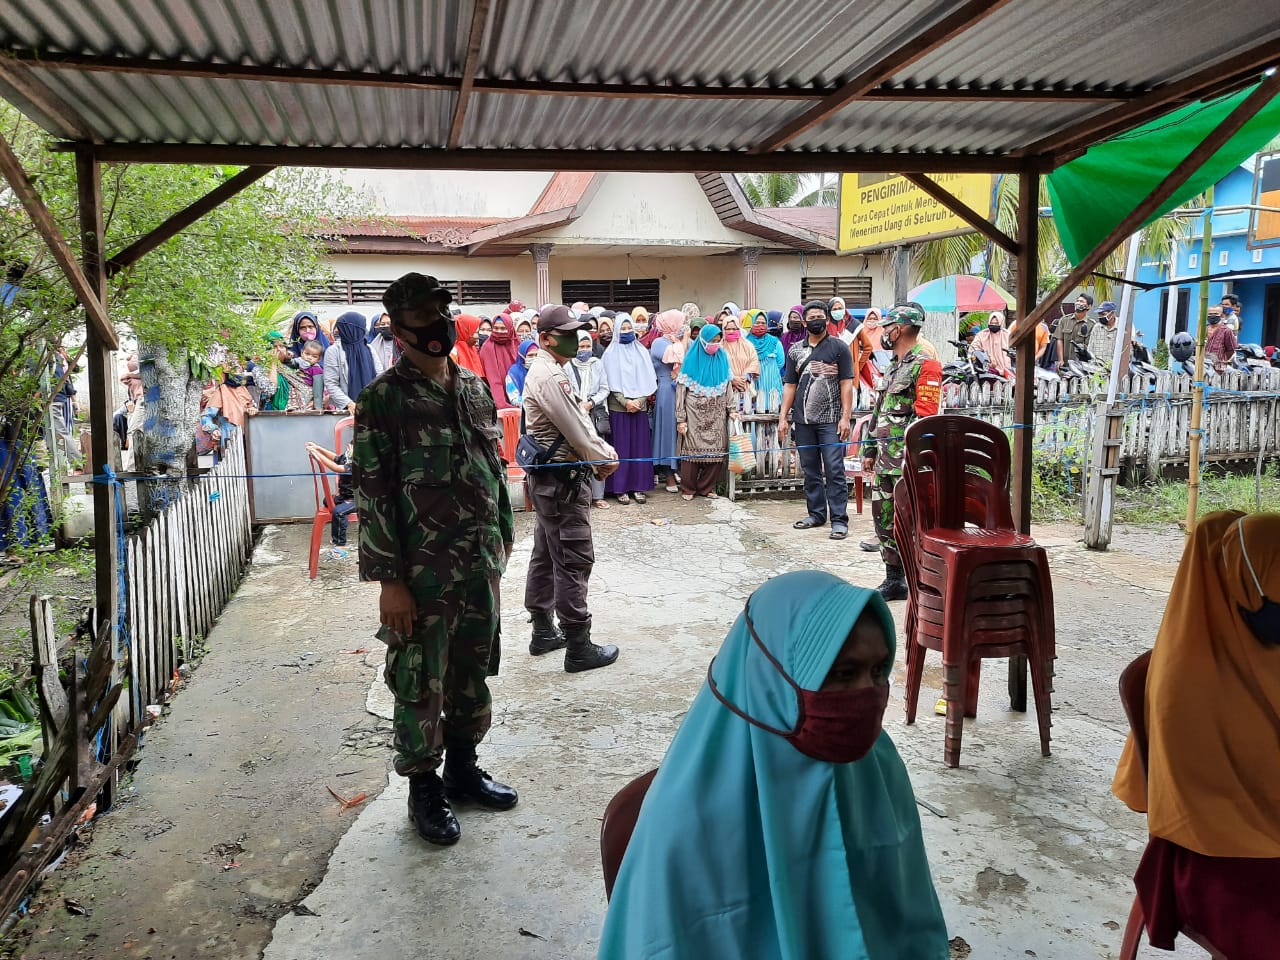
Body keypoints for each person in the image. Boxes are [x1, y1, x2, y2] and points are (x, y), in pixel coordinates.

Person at [598, 571, 950, 960]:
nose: (866, 695)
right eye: (843, 674)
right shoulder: (685, 823)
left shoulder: (878, 769)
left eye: (878, 670)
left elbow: (905, 922)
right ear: (773, 677)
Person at [353, 272, 516, 847]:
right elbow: (372, 492)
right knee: (421, 676)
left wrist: (502, 534)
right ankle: (423, 788)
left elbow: (491, 469)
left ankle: (464, 770)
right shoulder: (382, 400)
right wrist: (388, 581)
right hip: (421, 571)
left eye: (442, 313)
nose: (438, 326)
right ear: (398, 329)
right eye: (423, 318)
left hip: (478, 561)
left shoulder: (472, 387)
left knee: (473, 667)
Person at [1112, 511, 1280, 958]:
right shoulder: (1186, 684)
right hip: (1220, 848)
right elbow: (1217, 792)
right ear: (1240, 581)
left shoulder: (1252, 645)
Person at [521, 304, 621, 671]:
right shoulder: (551, 375)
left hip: (550, 482)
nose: (574, 338)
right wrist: (606, 459)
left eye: (575, 331)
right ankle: (579, 645)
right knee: (573, 558)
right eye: (564, 333)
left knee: (546, 555)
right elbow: (578, 430)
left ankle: (543, 631)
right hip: (562, 482)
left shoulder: (550, 369)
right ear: (545, 338)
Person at [861, 305, 943, 601]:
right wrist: (869, 448)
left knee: (912, 522)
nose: (884, 332)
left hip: (907, 463)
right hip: (884, 459)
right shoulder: (894, 365)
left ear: (903, 328)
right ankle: (893, 578)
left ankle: (919, 578)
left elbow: (925, 418)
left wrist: (915, 457)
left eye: (888, 327)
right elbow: (879, 411)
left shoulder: (926, 365)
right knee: (883, 518)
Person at [778, 301, 854, 541]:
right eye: (812, 317)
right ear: (804, 322)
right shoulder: (795, 351)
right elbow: (790, 385)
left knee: (834, 469)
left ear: (827, 319)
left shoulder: (839, 348)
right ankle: (817, 514)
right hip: (803, 420)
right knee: (810, 469)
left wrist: (845, 417)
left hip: (831, 420)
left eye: (821, 316)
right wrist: (783, 417)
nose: (816, 320)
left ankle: (839, 520)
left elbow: (846, 383)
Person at [602, 316, 658, 505]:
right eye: (622, 328)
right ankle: (620, 489)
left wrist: (639, 401)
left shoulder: (641, 352)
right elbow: (609, 383)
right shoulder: (610, 354)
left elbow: (649, 380)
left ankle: (639, 487)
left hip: (639, 409)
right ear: (617, 331)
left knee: (639, 448)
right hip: (618, 409)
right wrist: (625, 402)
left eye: (629, 328)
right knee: (622, 449)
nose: (626, 331)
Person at [675, 324, 733, 500]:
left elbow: (728, 385)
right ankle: (688, 488)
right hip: (694, 413)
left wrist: (731, 409)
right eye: (711, 341)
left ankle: (706, 488)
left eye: (718, 341)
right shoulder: (691, 361)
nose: (715, 345)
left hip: (717, 413)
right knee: (692, 451)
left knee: (716, 451)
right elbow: (680, 391)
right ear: (702, 341)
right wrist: (680, 418)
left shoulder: (722, 358)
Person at [567, 329, 612, 509]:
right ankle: (578, 495)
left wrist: (591, 403)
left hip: (594, 413)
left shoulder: (597, 364)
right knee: (576, 452)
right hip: (574, 413)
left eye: (587, 346)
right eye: (580, 346)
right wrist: (578, 404)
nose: (584, 350)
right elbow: (565, 389)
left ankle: (598, 496)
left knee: (597, 451)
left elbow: (604, 388)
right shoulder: (567, 366)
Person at [650, 310, 685, 492]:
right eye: (679, 323)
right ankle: (668, 474)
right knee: (667, 432)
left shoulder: (676, 342)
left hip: (681, 388)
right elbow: (675, 357)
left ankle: (678, 468)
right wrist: (684, 339)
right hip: (666, 390)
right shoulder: (659, 343)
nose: (682, 327)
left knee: (680, 431)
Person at [324, 311, 384, 415]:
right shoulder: (333, 351)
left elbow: (380, 377)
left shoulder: (369, 349)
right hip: (348, 410)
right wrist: (349, 403)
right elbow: (331, 383)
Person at [305, 439, 355, 546]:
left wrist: (316, 453)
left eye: (351, 448)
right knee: (327, 501)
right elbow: (335, 458)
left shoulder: (356, 463)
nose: (349, 449)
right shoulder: (348, 457)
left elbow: (335, 467)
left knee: (338, 511)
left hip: (356, 499)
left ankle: (339, 542)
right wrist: (318, 447)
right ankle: (342, 521)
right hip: (344, 496)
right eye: (349, 447)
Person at [745, 309, 785, 413]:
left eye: (763, 323)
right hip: (754, 384)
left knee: (773, 414)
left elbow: (780, 363)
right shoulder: (745, 342)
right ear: (752, 323)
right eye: (757, 322)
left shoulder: (775, 342)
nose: (760, 325)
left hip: (772, 384)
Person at [478, 314, 519, 410]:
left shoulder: (517, 343)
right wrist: (502, 404)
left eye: (503, 328)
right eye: (495, 328)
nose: (499, 332)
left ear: (510, 328)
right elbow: (494, 380)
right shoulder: (487, 348)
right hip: (499, 403)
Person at [723, 313, 761, 413]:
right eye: (728, 329)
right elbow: (716, 367)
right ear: (723, 329)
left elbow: (754, 362)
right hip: (726, 389)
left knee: (746, 421)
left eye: (734, 328)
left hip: (745, 387)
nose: (731, 331)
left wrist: (745, 378)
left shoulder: (748, 345)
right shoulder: (719, 347)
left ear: (739, 329)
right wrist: (732, 379)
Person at [1057, 293, 1093, 371]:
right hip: (1064, 364)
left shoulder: (1092, 324)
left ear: (1089, 306)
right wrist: (1060, 359)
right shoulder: (1064, 320)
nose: (1078, 303)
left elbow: (1090, 347)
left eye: (1082, 301)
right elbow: (1059, 339)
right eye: (1077, 301)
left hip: (1081, 366)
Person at [972, 310, 1013, 377]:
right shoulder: (982, 335)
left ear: (1001, 323)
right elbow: (973, 348)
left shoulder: (1007, 335)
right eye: (992, 323)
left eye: (996, 323)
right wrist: (987, 357)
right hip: (987, 368)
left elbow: (1015, 348)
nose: (993, 325)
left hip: (1006, 369)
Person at [504, 338, 539, 407]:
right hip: (523, 413)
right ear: (522, 356)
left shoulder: (542, 370)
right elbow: (514, 399)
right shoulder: (514, 373)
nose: (534, 358)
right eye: (530, 355)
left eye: (536, 355)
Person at [1088, 300, 1121, 370]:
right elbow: (1090, 348)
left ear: (1112, 313)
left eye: (1103, 314)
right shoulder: (1096, 327)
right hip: (1097, 369)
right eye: (1099, 314)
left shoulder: (1122, 327)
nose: (1100, 317)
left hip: (1115, 370)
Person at [295, 339, 327, 410]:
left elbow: (318, 389)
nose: (309, 358)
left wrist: (317, 407)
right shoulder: (299, 361)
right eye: (307, 354)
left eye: (314, 356)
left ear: (319, 359)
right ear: (302, 352)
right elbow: (290, 363)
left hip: (309, 392)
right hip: (297, 389)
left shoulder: (316, 369)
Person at [1205, 304, 1238, 371]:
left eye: (1215, 314)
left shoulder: (1226, 331)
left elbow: (1231, 349)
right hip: (1204, 366)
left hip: (1219, 368)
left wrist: (1221, 360)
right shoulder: (1203, 330)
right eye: (1210, 314)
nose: (1212, 316)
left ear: (1221, 315)